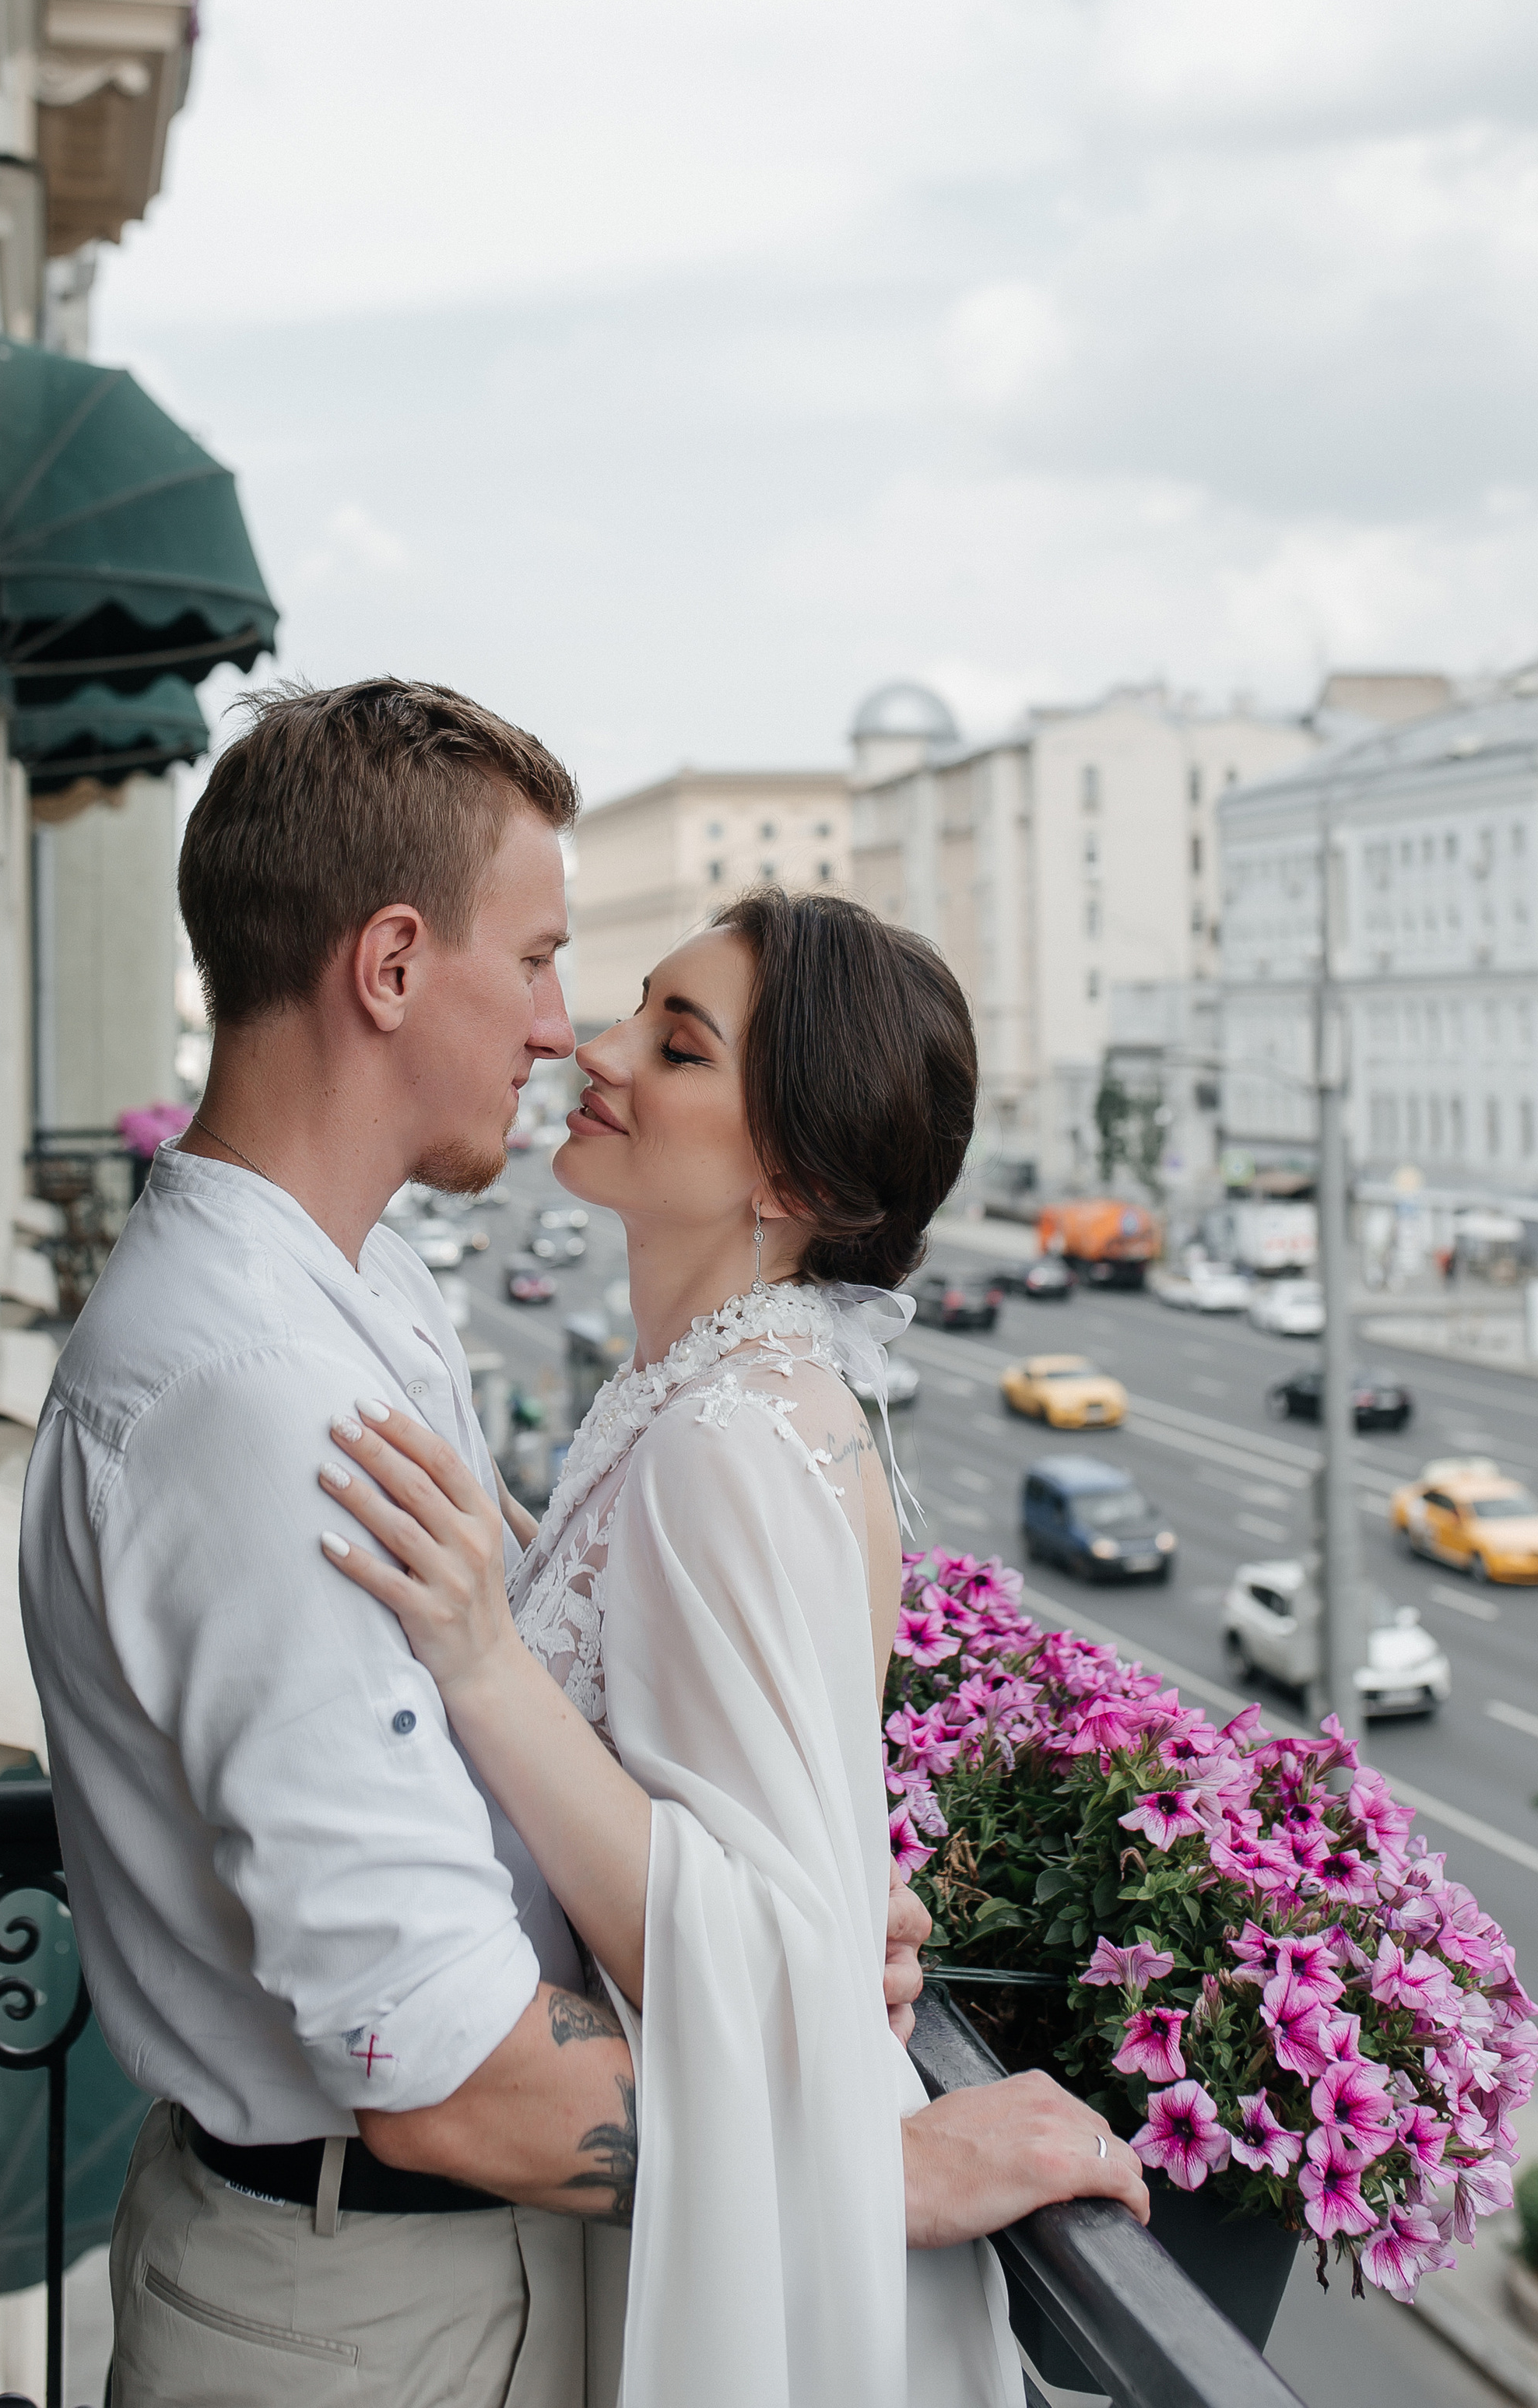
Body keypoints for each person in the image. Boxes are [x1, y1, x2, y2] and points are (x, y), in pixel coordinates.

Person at [17, 680, 1091, 2408]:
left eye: (656, 1026)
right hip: (361, 2318)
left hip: (440, 2280)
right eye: (535, 962)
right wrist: (862, 2168)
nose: (557, 1031)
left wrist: (801, 1932)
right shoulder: (256, 1399)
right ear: (388, 967)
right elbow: (438, 2060)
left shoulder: (366, 1286)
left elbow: (546, 1731)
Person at [316, 885, 1149, 2408]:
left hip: (776, 2266)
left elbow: (754, 1937)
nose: (602, 1049)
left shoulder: (733, 1437)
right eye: (637, 1007)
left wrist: (482, 1658)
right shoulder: (699, 1398)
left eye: (679, 1046)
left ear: (795, 1176)